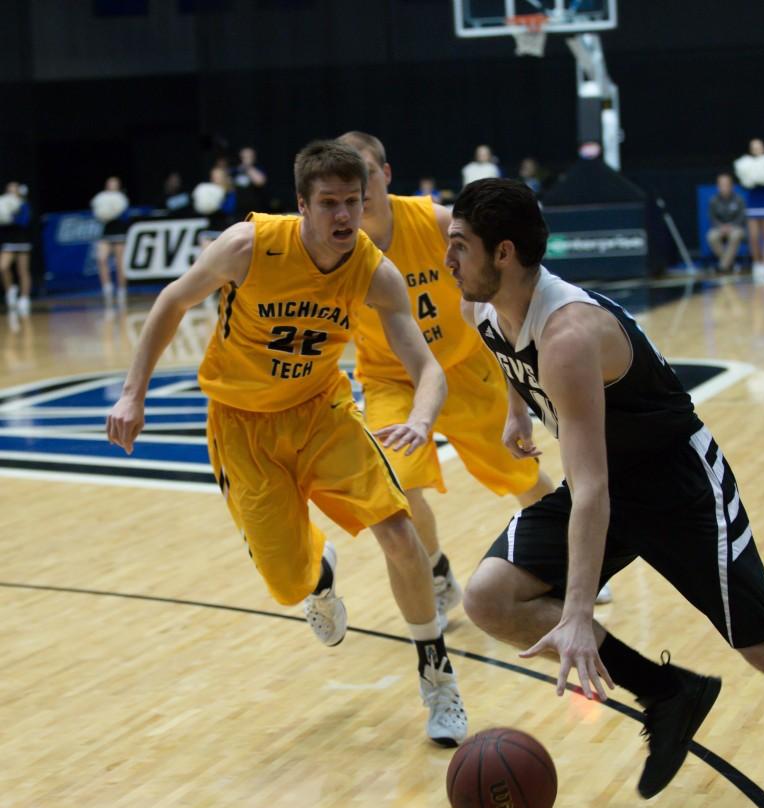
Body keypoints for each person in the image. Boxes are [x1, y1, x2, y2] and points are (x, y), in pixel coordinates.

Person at [448, 177, 764, 808]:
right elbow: (510, 362)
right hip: (612, 478)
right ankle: (668, 692)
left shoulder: (569, 333)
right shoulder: (483, 309)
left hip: (679, 485)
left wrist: (577, 615)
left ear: (505, 253)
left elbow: (591, 489)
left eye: (459, 247)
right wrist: (519, 410)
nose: (448, 259)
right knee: (489, 597)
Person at [106, 139, 468, 746]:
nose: (345, 217)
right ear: (302, 205)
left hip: (321, 410)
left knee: (398, 531)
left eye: (352, 202)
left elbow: (427, 368)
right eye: (328, 204)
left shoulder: (373, 270)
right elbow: (172, 300)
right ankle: (319, 579)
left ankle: (436, 672)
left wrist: (423, 419)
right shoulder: (248, 247)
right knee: (287, 580)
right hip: (242, 424)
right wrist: (133, 393)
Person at [338, 131, 611, 624]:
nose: (361, 188)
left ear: (386, 173)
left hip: (463, 367)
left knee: (523, 474)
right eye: (349, 179)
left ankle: (573, 563)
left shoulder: (434, 220)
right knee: (397, 489)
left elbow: (507, 263)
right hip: (390, 380)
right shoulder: (334, 242)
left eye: (368, 173)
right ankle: (438, 574)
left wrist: (517, 393)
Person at [733, 139, 764, 282]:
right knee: (753, 236)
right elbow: (744, 183)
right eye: (754, 147)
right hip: (753, 203)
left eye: (759, 147)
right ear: (751, 150)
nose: (757, 149)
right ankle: (757, 263)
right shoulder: (745, 164)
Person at [91, 176, 131, 312]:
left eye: (114, 184)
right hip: (106, 233)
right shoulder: (101, 199)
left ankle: (121, 292)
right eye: (109, 184)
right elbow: (98, 214)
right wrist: (104, 213)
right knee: (101, 259)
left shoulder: (122, 200)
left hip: (119, 233)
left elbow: (125, 217)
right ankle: (107, 290)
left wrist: (116, 211)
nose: (111, 186)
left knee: (120, 264)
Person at [0, 181, 33, 321]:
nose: (12, 190)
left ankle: (24, 298)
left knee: (23, 271)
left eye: (14, 188)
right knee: (3, 267)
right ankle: (10, 291)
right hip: (8, 240)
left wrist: (12, 215)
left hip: (22, 240)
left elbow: (25, 221)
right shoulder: (2, 202)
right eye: (9, 188)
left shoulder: (24, 204)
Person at [705, 173, 746, 275]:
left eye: (726, 185)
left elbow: (742, 217)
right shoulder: (713, 200)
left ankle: (722, 266)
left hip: (736, 228)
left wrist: (731, 226)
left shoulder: (739, 199)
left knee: (735, 235)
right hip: (719, 228)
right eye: (721, 185)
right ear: (718, 186)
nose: (724, 187)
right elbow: (712, 218)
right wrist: (721, 227)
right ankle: (729, 265)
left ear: (731, 186)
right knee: (711, 236)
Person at [231, 146, 268, 219]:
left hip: (256, 210)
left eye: (249, 156)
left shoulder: (258, 169)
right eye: (244, 157)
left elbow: (260, 182)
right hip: (238, 210)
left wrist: (248, 167)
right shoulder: (235, 170)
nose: (247, 159)